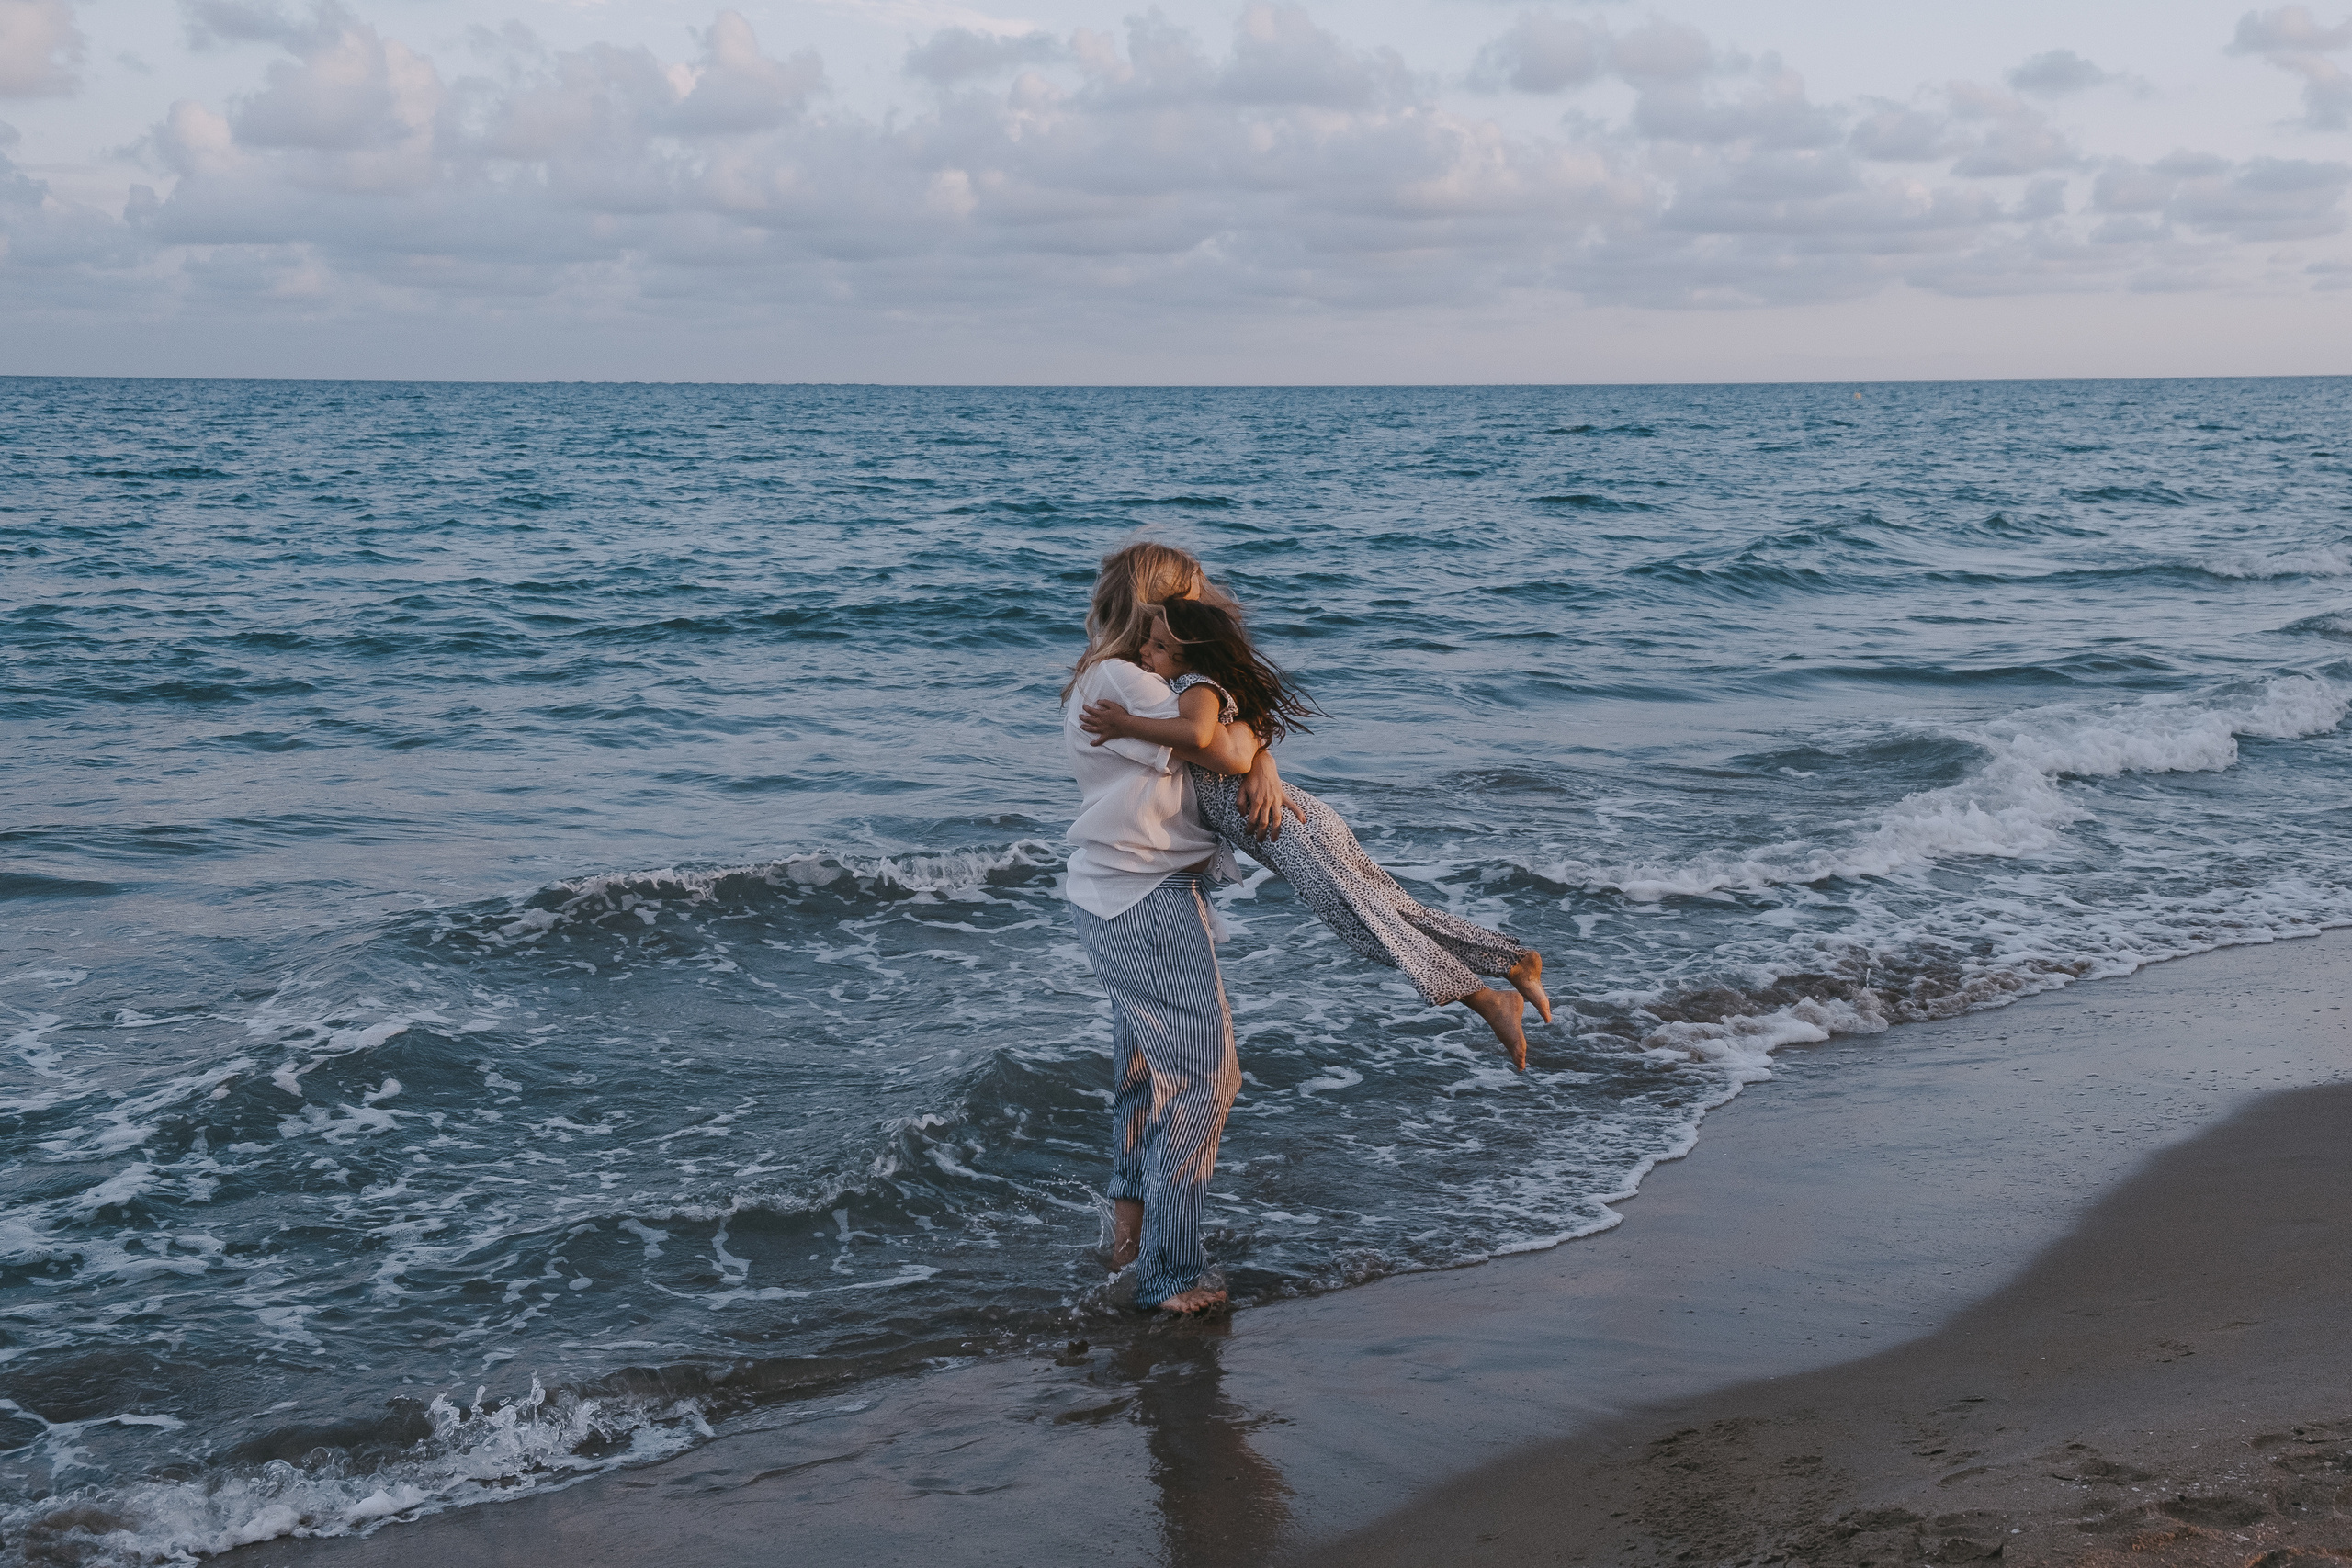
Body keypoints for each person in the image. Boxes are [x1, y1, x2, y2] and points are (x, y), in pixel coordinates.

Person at [1081, 596, 1551, 1069]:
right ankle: (1510, 961)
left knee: (1363, 920)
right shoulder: (1192, 682)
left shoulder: (1194, 684)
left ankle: (1488, 999)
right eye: (1147, 640)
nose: (1145, 650)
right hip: (1291, 820)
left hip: (1285, 826)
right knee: (1384, 907)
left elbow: (1202, 739)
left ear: (1190, 656)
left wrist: (1123, 722)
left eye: (1158, 645)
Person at [1059, 543, 1281, 1314]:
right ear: (1159, 607)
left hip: (1119, 892)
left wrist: (1260, 757)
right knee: (1206, 1079)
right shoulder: (1129, 682)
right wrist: (1261, 760)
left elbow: (1221, 735)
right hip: (1143, 898)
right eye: (1189, 599)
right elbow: (1220, 740)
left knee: (1149, 1082)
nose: (1202, 610)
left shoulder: (1113, 677)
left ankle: (1129, 1247)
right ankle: (1171, 1275)